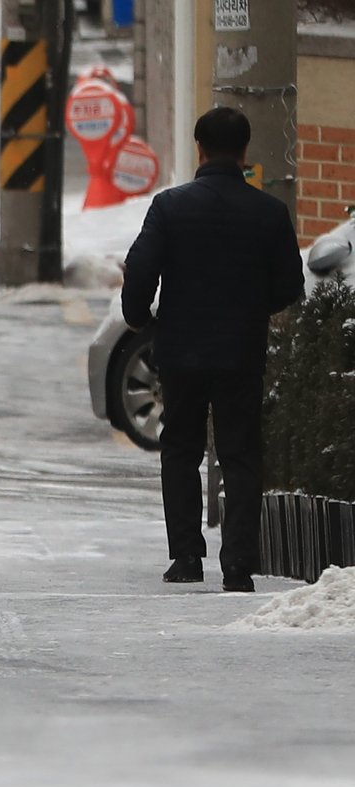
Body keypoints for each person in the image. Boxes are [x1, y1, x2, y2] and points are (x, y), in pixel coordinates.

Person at [121, 107, 305, 592]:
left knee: (180, 448)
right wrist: (249, 309)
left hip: (181, 350)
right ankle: (239, 564)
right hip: (241, 350)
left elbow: (140, 273)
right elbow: (290, 285)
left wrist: (140, 316)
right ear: (245, 153)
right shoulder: (269, 213)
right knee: (240, 453)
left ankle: (186, 556)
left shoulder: (170, 207)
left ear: (199, 148)